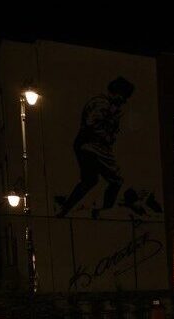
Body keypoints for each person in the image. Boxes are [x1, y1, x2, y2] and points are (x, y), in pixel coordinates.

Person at [56, 76, 135, 219]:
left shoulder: (109, 106)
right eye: (123, 96)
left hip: (88, 146)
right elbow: (92, 124)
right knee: (116, 179)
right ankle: (105, 211)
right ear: (116, 92)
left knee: (90, 180)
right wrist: (107, 136)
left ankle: (65, 209)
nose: (124, 100)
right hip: (93, 146)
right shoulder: (101, 104)